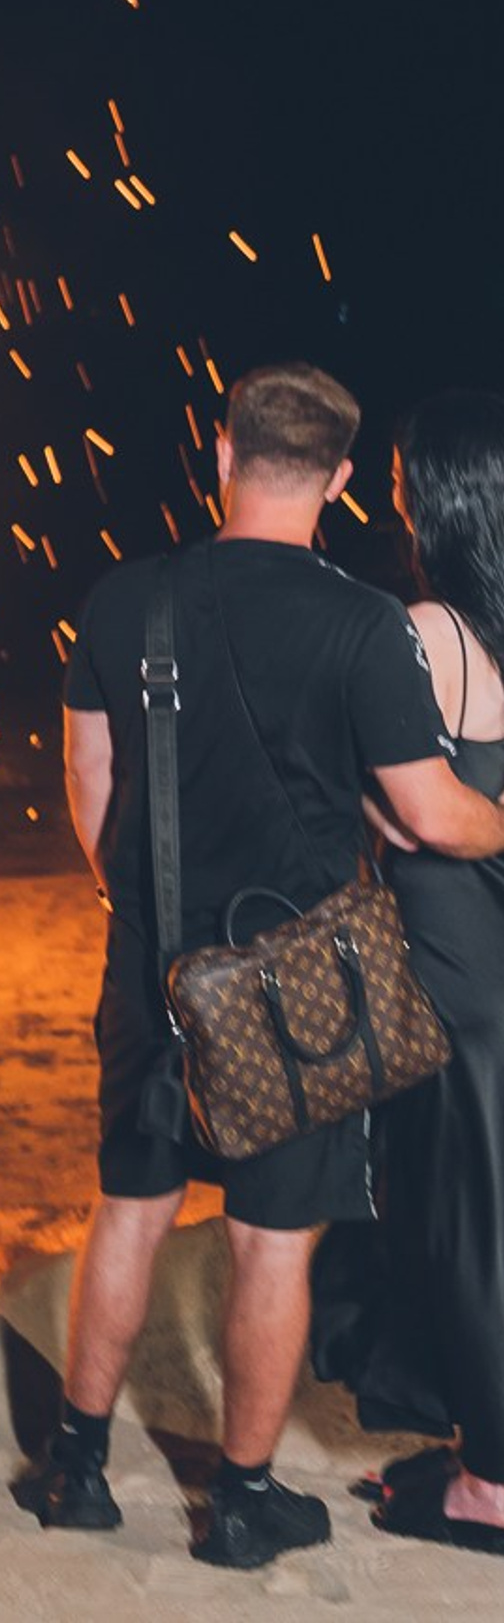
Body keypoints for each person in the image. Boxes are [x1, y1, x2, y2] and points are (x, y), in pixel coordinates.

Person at [39, 363, 504, 1568]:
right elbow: (432, 814)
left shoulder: (120, 599)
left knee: (129, 1211)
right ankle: (241, 1502)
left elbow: (91, 786)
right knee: (268, 1240)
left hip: (152, 965)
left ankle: (75, 1468)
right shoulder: (359, 624)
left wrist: (137, 907)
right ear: (345, 481)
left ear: (221, 452)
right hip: (293, 987)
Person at [311, 389, 504, 1551]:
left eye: (399, 476)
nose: (388, 492)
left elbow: (392, 804)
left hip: (449, 965)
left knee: (463, 1217)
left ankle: (487, 1480)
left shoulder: (429, 632)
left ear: (430, 498)